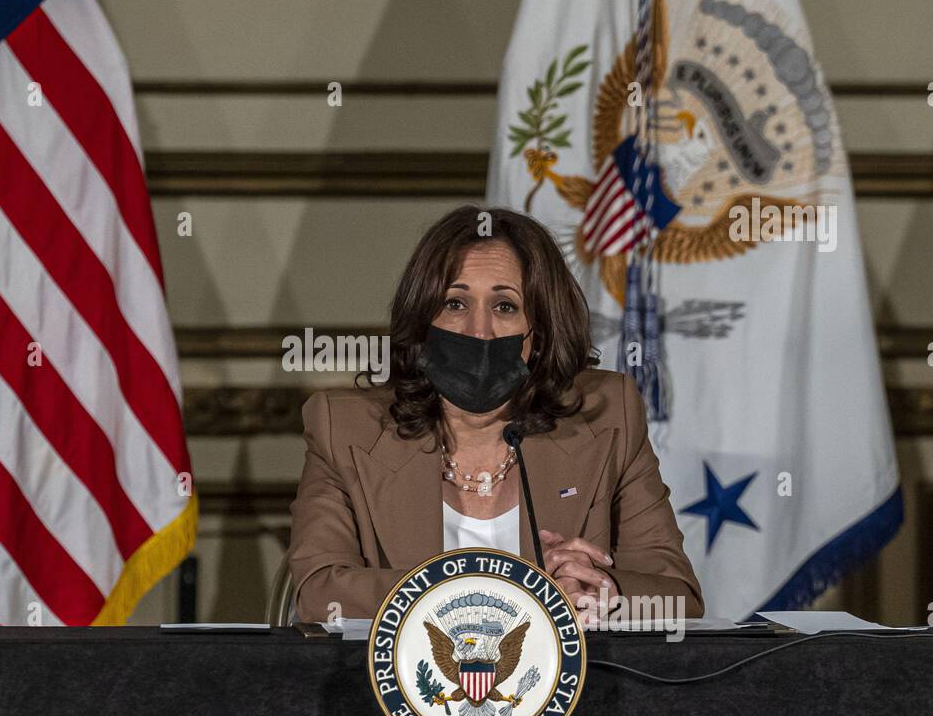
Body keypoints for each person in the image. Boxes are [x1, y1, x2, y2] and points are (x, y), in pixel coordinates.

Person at [283, 203, 704, 625]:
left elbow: (680, 597)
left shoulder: (608, 415)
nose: (478, 331)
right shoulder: (344, 426)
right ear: (422, 320)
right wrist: (502, 588)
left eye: (504, 306)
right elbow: (320, 594)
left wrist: (604, 593)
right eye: (454, 303)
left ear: (539, 331)